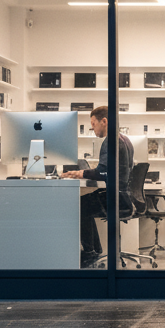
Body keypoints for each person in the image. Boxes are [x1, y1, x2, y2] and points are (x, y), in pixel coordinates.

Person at [60, 106, 133, 267]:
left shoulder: (110, 142)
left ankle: (89, 253)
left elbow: (102, 173)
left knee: (79, 206)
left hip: (115, 198)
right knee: (84, 205)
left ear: (104, 121)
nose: (92, 128)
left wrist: (79, 173)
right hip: (123, 196)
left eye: (93, 124)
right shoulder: (125, 139)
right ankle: (94, 250)